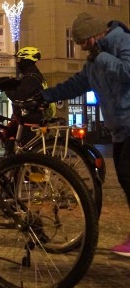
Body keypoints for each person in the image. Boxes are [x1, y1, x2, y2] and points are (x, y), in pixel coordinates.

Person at [40, 13, 130, 257]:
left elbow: (128, 70)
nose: (81, 48)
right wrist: (45, 96)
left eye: (84, 42)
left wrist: (102, 58)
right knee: (125, 178)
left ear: (96, 35)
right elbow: (77, 84)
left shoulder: (121, 42)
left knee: (128, 176)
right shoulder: (94, 61)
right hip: (120, 128)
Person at [3, 47, 51, 155]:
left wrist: (7, 89)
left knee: (26, 152)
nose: (18, 63)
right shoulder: (32, 75)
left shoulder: (31, 78)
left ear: (26, 60)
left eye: (20, 60)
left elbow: (19, 96)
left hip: (30, 121)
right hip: (28, 119)